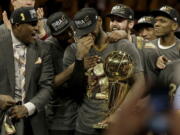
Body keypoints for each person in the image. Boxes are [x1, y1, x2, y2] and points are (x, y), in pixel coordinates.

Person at [63, 7, 145, 135]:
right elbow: (74, 92)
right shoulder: (73, 50)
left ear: (99, 21)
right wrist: (79, 59)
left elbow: (140, 83)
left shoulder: (122, 45)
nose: (88, 35)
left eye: (90, 30)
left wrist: (120, 112)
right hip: (85, 125)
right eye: (83, 33)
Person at [0, 7, 53, 135]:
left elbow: (47, 86)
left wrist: (27, 108)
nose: (37, 27)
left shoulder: (43, 48)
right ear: (17, 26)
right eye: (33, 24)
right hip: (2, 120)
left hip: (34, 122)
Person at [45, 11, 79, 135]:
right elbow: (47, 84)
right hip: (60, 120)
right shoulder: (47, 48)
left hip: (82, 116)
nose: (69, 34)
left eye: (69, 28)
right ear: (54, 35)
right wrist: (72, 68)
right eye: (63, 34)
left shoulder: (78, 38)